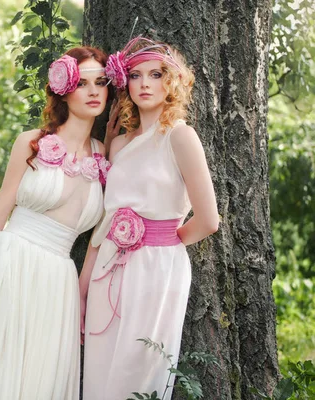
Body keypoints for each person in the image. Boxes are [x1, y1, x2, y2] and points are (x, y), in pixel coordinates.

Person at [0, 46, 114, 400]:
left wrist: (83, 296)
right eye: (82, 83)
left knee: (44, 382)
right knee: (0, 374)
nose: (94, 90)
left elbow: (100, 237)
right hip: (10, 264)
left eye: (101, 82)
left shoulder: (104, 155)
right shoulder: (32, 143)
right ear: (64, 89)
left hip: (59, 281)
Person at [79, 37, 219, 400]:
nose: (144, 83)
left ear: (170, 81)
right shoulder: (121, 144)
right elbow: (105, 220)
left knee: (138, 369)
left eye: (155, 74)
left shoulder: (181, 137)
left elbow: (208, 220)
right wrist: (83, 283)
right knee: (100, 366)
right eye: (136, 75)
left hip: (157, 267)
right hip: (108, 265)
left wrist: (155, 240)